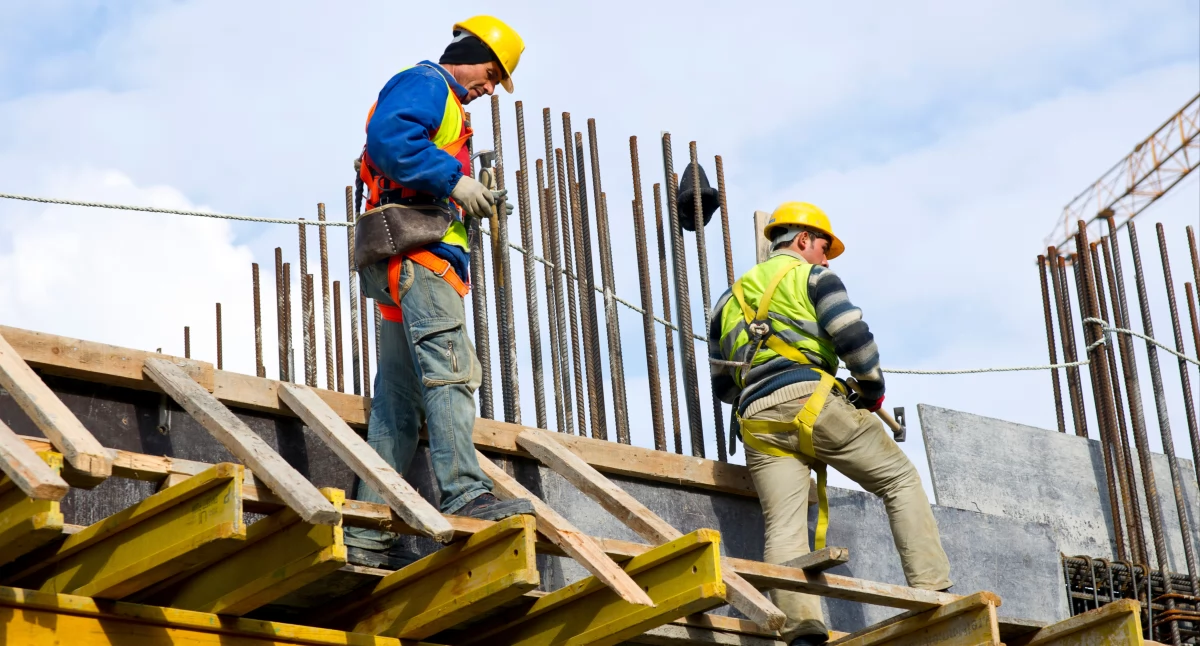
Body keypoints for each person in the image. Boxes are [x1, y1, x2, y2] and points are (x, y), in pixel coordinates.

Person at [709, 202, 952, 646]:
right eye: (823, 247)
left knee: (782, 526)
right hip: (814, 401)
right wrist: (871, 388)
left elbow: (724, 386)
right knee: (899, 479)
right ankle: (933, 590)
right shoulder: (814, 277)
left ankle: (802, 631)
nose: (826, 257)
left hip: (758, 420)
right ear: (802, 240)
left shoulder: (727, 300)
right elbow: (853, 337)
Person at [346, 16, 533, 568]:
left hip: (405, 262)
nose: (491, 87)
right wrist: (455, 182)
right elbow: (390, 141)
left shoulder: (449, 105)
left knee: (398, 406)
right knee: (452, 372)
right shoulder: (428, 84)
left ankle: (367, 533)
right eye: (492, 73)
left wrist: (463, 192)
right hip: (419, 260)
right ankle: (465, 492)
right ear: (469, 53)